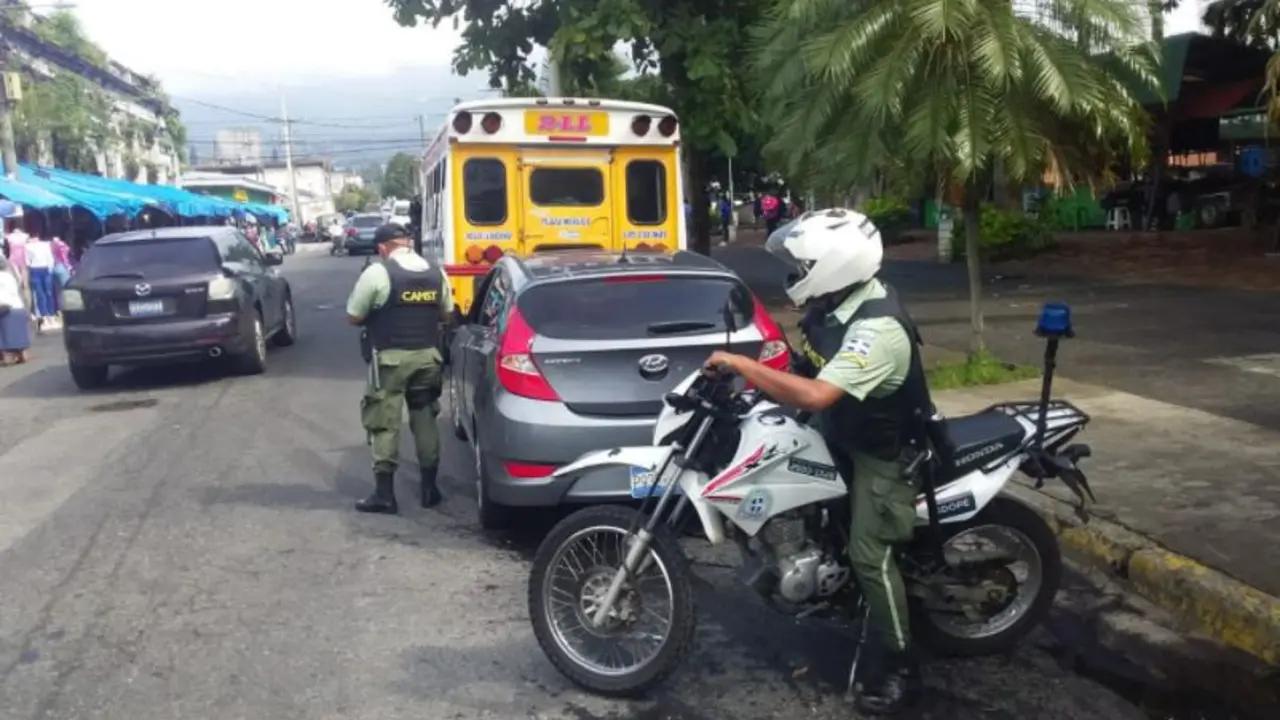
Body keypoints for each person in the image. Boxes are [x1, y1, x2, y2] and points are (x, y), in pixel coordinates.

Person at [702, 208, 932, 715]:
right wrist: (754, 381)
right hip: (845, 433)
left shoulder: (879, 330)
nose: (795, 272)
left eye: (804, 263)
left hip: (884, 452)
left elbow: (817, 393)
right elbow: (808, 364)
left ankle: (901, 669)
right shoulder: (832, 306)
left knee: (870, 554)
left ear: (835, 265)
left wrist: (743, 365)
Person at [346, 223, 452, 513]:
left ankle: (384, 495)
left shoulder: (378, 272)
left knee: (384, 422)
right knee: (425, 418)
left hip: (392, 360)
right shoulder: (436, 272)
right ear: (408, 242)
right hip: (428, 357)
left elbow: (354, 316)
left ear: (382, 248)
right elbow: (446, 313)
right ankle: (430, 489)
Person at [0, 254, 32, 365]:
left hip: (6, 309)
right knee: (19, 333)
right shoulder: (10, 277)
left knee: (5, 334)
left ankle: (7, 356)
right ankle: (22, 353)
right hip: (18, 307)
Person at [24, 233, 56, 328]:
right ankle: (45, 316)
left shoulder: (45, 244)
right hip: (36, 269)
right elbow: (28, 260)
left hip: (44, 268)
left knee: (48, 292)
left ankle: (51, 315)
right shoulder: (27, 246)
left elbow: (49, 257)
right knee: (40, 293)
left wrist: (50, 268)